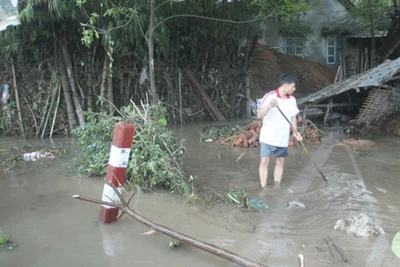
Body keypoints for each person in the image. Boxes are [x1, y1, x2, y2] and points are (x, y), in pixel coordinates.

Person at [257, 74, 303, 188]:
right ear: (285, 85)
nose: (294, 89)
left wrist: (295, 132)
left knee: (280, 162)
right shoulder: (269, 96)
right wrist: (269, 106)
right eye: (293, 86)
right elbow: (259, 115)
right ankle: (264, 188)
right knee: (264, 161)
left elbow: (293, 117)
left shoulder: (292, 100)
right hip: (268, 136)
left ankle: (277, 187)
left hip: (282, 137)